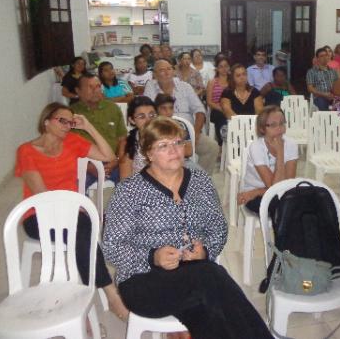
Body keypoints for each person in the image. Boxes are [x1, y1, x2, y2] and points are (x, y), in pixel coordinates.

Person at [103, 118, 272, 339]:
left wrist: (205, 251)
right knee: (211, 276)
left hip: (194, 272)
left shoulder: (200, 180)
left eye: (178, 142)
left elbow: (218, 227)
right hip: (143, 280)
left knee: (210, 312)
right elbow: (111, 246)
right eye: (164, 145)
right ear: (149, 153)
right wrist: (152, 256)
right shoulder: (129, 190)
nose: (174, 150)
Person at [16, 102, 129, 321]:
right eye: (62, 120)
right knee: (83, 232)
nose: (67, 126)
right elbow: (43, 196)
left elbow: (108, 156)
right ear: (46, 121)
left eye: (70, 121)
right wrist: (71, 210)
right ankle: (107, 295)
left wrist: (87, 127)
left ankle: (87, 302)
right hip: (38, 216)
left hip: (71, 213)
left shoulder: (73, 142)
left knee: (82, 231)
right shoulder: (26, 151)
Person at [144, 59, 218, 174]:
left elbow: (200, 111)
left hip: (188, 132)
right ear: (155, 74)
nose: (167, 72)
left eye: (169, 69)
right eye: (162, 70)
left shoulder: (185, 86)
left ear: (173, 71)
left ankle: (199, 179)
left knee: (212, 147)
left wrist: (196, 132)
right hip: (162, 133)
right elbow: (148, 112)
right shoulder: (150, 87)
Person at [239, 105, 298, 217]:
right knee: (284, 207)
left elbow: (288, 184)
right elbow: (275, 187)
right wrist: (280, 152)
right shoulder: (256, 147)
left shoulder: (291, 144)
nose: (280, 128)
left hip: (259, 193)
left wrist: (257, 191)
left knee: (303, 203)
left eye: (282, 123)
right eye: (273, 125)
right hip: (256, 197)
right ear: (262, 129)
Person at [72, 74, 127, 184]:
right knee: (74, 190)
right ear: (78, 91)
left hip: (113, 162)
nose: (96, 90)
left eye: (98, 86)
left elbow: (123, 139)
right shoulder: (71, 113)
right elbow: (66, 147)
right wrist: (88, 167)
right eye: (90, 87)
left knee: (130, 185)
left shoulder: (112, 108)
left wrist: (117, 161)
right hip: (85, 165)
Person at [154, 94, 200, 171]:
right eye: (163, 108)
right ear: (156, 110)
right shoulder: (152, 127)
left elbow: (189, 151)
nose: (168, 112)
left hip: (182, 162)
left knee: (202, 177)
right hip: (159, 163)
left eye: (171, 108)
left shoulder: (180, 125)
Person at [118, 96, 157, 179]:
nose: (148, 120)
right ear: (132, 120)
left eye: (152, 115)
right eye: (142, 117)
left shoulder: (166, 138)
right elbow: (125, 180)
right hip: (139, 188)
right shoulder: (127, 143)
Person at [206, 56, 230, 146]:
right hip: (217, 110)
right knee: (221, 118)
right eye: (221, 66)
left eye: (226, 66)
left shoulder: (232, 81)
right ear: (217, 69)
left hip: (231, 108)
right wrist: (222, 109)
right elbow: (209, 102)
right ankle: (223, 143)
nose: (224, 69)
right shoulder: (212, 82)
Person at [307, 47, 338, 111]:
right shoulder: (312, 72)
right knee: (323, 107)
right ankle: (326, 120)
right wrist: (324, 94)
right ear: (317, 58)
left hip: (333, 96)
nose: (325, 58)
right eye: (321, 56)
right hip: (319, 97)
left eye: (326, 55)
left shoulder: (333, 71)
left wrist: (333, 94)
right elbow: (310, 88)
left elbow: (337, 85)